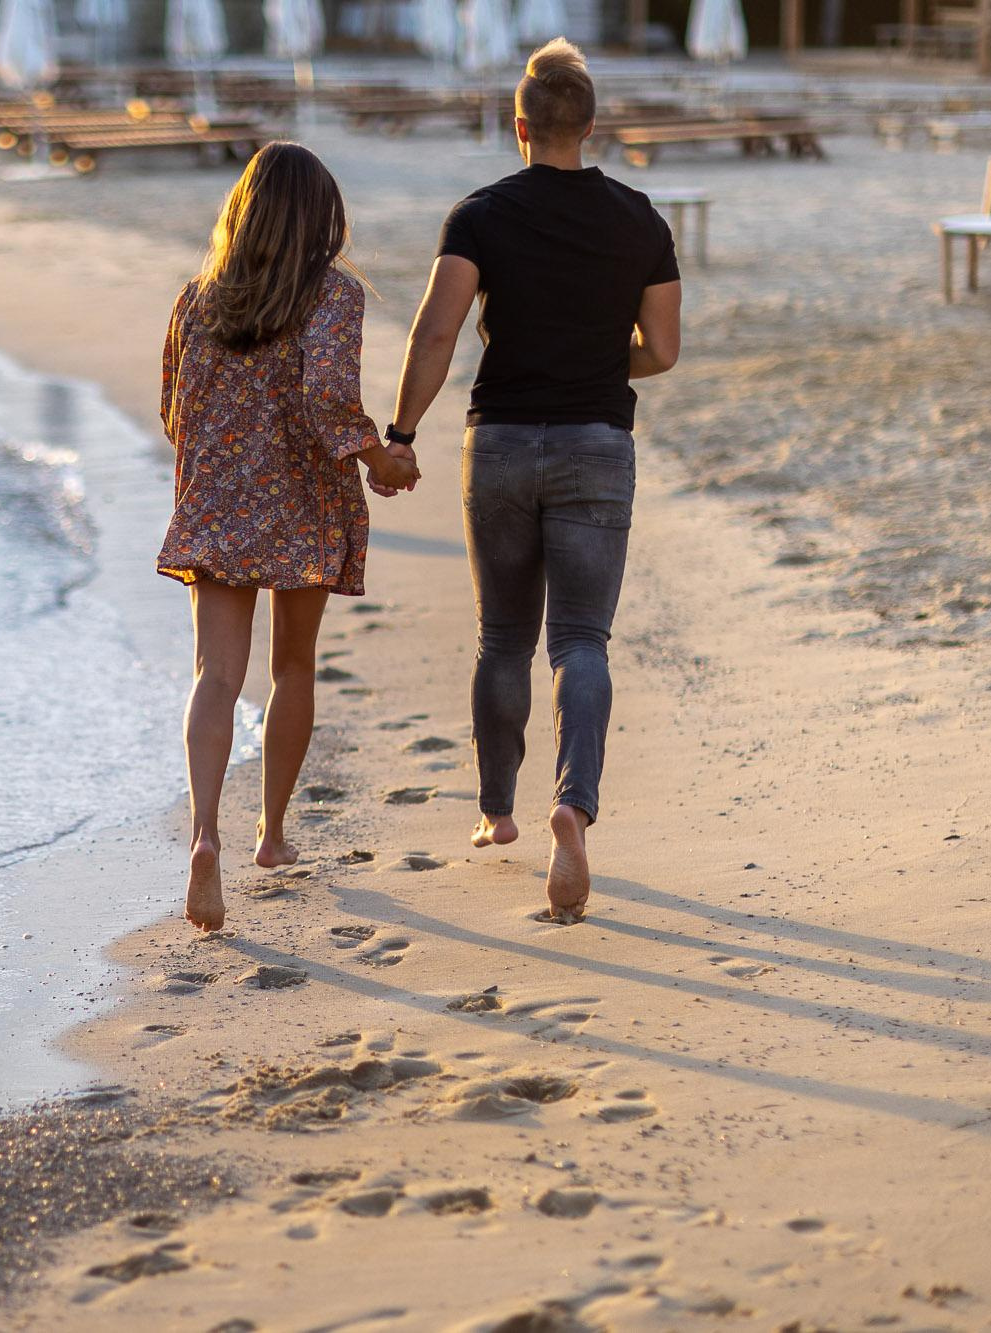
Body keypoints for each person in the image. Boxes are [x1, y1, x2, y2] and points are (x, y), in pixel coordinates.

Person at [384, 38, 682, 923]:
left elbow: (434, 335)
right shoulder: (640, 220)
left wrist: (400, 435)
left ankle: (497, 810)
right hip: (598, 440)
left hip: (503, 442)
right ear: (590, 127)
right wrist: (598, 360)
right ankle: (574, 802)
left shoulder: (479, 215)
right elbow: (662, 350)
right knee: (582, 640)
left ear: (518, 126)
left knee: (503, 637)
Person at [157, 142, 420, 933]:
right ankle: (271, 836)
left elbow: (173, 406)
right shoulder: (332, 297)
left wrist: (219, 469)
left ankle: (206, 834)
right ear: (323, 219)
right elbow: (328, 397)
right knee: (293, 666)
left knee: (216, 673)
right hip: (302, 499)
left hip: (219, 500)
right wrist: (383, 459)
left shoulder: (197, 299)